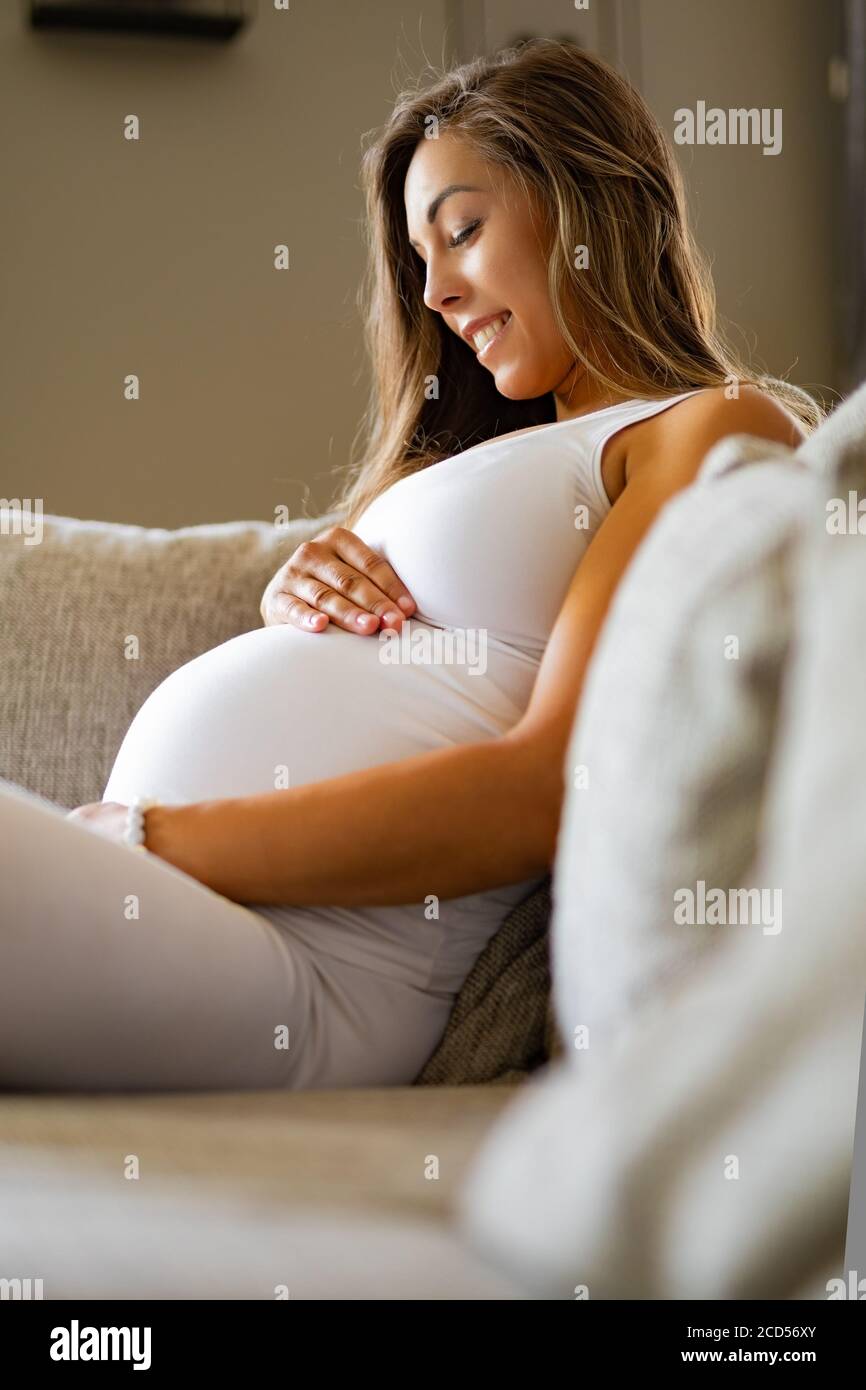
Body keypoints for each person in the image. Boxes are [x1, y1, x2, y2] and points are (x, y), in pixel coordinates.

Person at [0, 38, 815, 1092]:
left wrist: (155, 836)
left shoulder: (708, 426)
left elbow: (546, 783)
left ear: (586, 202)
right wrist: (294, 593)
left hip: (314, 973)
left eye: (462, 230)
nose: (433, 291)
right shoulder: (484, 455)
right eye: (418, 259)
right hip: (206, 918)